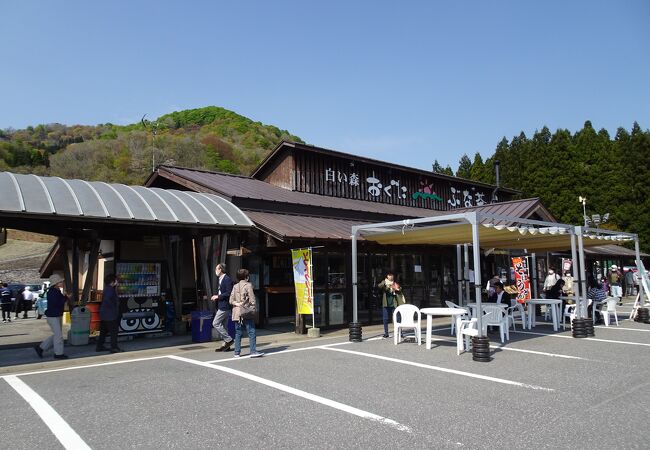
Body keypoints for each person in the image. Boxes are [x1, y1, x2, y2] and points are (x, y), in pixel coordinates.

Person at [229, 268, 264, 358]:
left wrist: (237, 304)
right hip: (246, 312)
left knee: (238, 333)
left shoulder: (235, 286)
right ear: (246, 277)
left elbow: (230, 300)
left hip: (237, 313)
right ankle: (253, 351)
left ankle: (237, 352)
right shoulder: (248, 285)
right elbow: (252, 300)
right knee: (251, 331)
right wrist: (254, 309)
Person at [34, 274, 69, 359]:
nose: (62, 282)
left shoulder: (55, 291)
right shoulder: (52, 292)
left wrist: (65, 297)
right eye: (60, 281)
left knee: (57, 335)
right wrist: (66, 298)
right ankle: (58, 354)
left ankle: (41, 348)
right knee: (58, 335)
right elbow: (57, 303)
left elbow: (59, 301)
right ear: (56, 283)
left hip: (55, 315)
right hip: (53, 316)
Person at [211, 263, 234, 352]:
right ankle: (226, 346)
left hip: (225, 306)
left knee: (215, 323)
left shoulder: (227, 279)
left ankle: (229, 340)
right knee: (224, 326)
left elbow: (229, 293)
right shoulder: (221, 279)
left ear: (220, 269)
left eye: (216, 269)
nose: (215, 271)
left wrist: (217, 296)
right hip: (222, 305)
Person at [96, 274, 122, 353]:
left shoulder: (107, 289)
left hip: (104, 314)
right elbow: (108, 300)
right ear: (112, 282)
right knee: (114, 331)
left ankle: (99, 346)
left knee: (103, 331)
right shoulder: (111, 290)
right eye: (116, 280)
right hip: (110, 314)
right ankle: (114, 347)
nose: (117, 281)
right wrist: (113, 308)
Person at [377, 271, 406, 338]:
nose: (391, 276)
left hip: (394, 303)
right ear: (387, 276)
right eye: (389, 275)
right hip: (386, 304)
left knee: (398, 318)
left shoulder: (395, 283)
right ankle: (386, 333)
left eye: (392, 275)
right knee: (385, 319)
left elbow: (400, 289)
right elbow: (379, 286)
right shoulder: (384, 282)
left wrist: (396, 288)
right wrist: (385, 283)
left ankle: (400, 333)